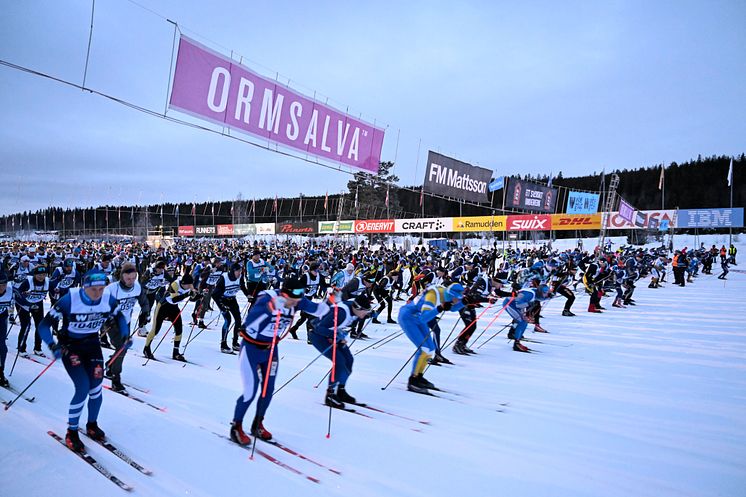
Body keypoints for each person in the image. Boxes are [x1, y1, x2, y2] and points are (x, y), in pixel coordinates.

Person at [37, 271, 130, 453]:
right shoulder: (69, 300)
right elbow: (43, 325)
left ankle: (92, 424)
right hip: (70, 347)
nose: (97, 293)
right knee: (82, 387)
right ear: (84, 287)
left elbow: (119, 317)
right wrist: (52, 345)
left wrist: (125, 334)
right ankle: (72, 432)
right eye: (93, 289)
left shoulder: (108, 299)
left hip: (92, 345)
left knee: (96, 387)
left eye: (101, 289)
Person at [229, 278, 329, 445]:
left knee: (268, 389)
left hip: (270, 350)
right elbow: (250, 324)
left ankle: (257, 424)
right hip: (251, 349)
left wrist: (332, 300)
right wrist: (270, 310)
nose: (297, 303)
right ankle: (236, 426)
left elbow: (319, 310)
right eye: (293, 300)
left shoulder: (296, 300)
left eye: (299, 300)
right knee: (250, 391)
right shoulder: (267, 299)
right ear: (284, 293)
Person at [398, 283, 465, 394]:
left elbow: (452, 308)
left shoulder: (446, 294)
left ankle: (419, 376)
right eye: (457, 298)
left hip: (418, 318)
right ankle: (413, 380)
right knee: (424, 349)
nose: (458, 300)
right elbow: (424, 318)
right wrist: (439, 308)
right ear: (452, 295)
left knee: (430, 348)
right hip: (408, 318)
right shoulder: (432, 296)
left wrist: (464, 302)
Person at [309, 293, 372, 409]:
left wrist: (371, 313)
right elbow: (319, 328)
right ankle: (330, 394)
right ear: (357, 308)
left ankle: (340, 391)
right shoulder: (341, 313)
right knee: (339, 362)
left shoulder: (356, 310)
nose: (365, 314)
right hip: (318, 336)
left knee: (349, 360)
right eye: (365, 311)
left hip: (334, 336)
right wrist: (335, 335)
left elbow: (353, 319)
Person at [103, 262, 150, 394]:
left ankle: (110, 365)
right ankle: (115, 379)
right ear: (122, 276)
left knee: (123, 349)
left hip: (126, 322)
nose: (131, 281)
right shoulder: (112, 289)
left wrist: (145, 313)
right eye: (128, 278)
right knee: (122, 348)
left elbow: (144, 302)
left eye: (134, 278)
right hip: (112, 324)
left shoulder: (136, 287)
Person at [143, 274, 195, 361]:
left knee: (179, 330)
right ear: (183, 283)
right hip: (163, 307)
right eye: (188, 285)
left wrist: (199, 296)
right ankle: (146, 349)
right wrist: (187, 294)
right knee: (155, 330)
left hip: (174, 308)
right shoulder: (175, 284)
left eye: (191, 285)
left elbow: (193, 297)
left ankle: (176, 353)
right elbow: (174, 299)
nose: (190, 287)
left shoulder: (189, 286)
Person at [212, 262, 249, 353]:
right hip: (222, 300)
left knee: (238, 320)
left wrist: (248, 295)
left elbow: (242, 286)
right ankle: (223, 345)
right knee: (228, 320)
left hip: (232, 299)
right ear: (232, 271)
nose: (239, 273)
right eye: (237, 271)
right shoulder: (224, 278)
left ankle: (235, 343)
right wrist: (222, 307)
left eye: (240, 271)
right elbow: (215, 295)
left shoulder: (240, 277)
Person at [14, 265, 50, 356]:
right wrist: (26, 302)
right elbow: (17, 295)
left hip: (37, 303)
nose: (41, 277)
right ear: (34, 275)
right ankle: (21, 348)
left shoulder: (47, 282)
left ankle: (38, 348)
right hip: (23, 304)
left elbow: (56, 288)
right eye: (39, 275)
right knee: (26, 325)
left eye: (43, 275)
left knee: (40, 325)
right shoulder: (27, 282)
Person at [505, 284, 551, 352]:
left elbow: (539, 298)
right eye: (545, 293)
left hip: (514, 305)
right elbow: (518, 304)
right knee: (523, 322)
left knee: (520, 321)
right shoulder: (529, 294)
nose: (546, 294)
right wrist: (529, 304)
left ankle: (513, 333)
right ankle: (516, 343)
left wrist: (549, 297)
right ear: (540, 291)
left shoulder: (536, 292)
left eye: (547, 293)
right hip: (510, 305)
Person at [0, 272, 13, 387]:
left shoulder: (10, 290)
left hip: (1, 319)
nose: (1, 287)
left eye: (3, 284)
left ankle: (0, 372)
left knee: (2, 347)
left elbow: (23, 301)